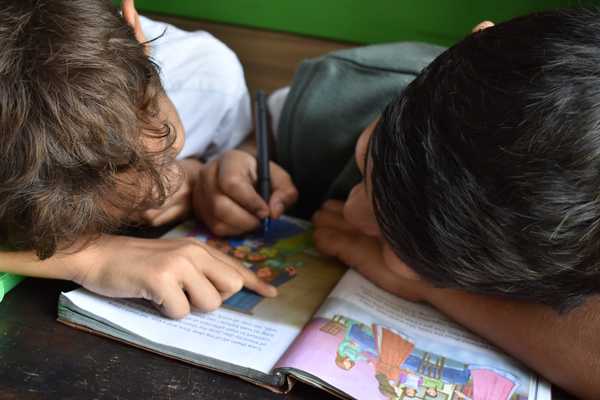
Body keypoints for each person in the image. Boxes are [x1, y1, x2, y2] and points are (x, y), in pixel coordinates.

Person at [201, 8, 600, 398]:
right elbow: (262, 127)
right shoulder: (343, 92)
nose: (353, 214)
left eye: (399, 251)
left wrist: (433, 291)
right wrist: (244, 156)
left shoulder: (578, 231)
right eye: (365, 158)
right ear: (475, 38)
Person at [0, 0, 301, 319]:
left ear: (136, 33)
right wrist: (89, 257)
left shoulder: (209, 82)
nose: (164, 191)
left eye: (169, 154)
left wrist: (226, 165)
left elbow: (245, 143)